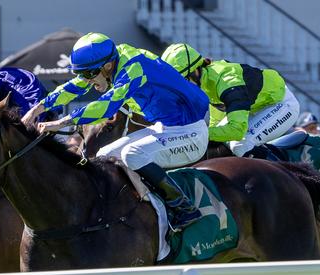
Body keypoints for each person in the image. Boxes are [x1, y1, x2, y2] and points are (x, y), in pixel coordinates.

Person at [22, 32, 210, 230]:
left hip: (192, 130)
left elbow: (106, 106)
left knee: (133, 154)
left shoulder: (133, 68)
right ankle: (139, 207)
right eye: (81, 74)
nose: (85, 80)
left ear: (107, 66)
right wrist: (36, 110)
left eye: (88, 74)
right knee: (104, 156)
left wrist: (61, 123)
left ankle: (184, 208)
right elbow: (73, 87)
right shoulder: (110, 61)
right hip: (167, 127)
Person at [160, 43, 300, 159]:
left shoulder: (227, 81)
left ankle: (286, 180)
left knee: (240, 145)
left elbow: (236, 130)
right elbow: (217, 119)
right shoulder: (205, 81)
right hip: (253, 107)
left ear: (195, 71)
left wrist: (196, 133)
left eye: (182, 81)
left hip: (280, 105)